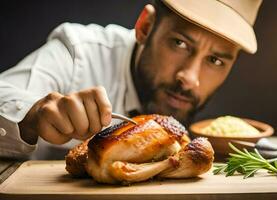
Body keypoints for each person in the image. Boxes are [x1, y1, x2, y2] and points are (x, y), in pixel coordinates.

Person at [0, 0, 263, 159]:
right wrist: (32, 116)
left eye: (215, 60)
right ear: (146, 26)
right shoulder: (80, 51)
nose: (190, 79)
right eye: (179, 44)